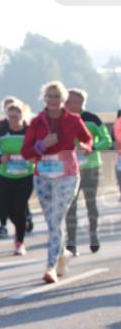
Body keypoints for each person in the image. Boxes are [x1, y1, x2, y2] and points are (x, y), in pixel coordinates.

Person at [21, 81, 92, 283]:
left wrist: (85, 147)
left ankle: (50, 267)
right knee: (52, 221)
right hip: (43, 175)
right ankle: (62, 254)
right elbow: (26, 153)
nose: (52, 100)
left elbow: (87, 139)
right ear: (44, 99)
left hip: (68, 174)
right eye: (49, 96)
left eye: (56, 97)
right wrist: (43, 144)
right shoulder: (36, 122)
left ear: (63, 100)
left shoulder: (74, 120)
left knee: (56, 219)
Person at [64, 88, 113, 254]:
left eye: (72, 101)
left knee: (90, 203)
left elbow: (107, 140)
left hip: (90, 167)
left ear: (80, 102)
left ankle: (93, 234)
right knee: (70, 205)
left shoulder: (92, 119)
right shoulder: (61, 119)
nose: (68, 103)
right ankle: (71, 242)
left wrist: (92, 147)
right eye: (67, 100)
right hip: (70, 169)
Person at [0, 101, 34, 255]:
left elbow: (39, 148)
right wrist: (0, 157)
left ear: (23, 116)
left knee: (19, 208)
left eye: (16, 117)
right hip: (5, 175)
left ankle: (19, 242)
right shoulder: (1, 131)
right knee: (7, 209)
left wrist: (33, 157)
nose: (13, 120)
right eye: (10, 117)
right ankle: (21, 225)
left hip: (26, 175)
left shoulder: (30, 131)